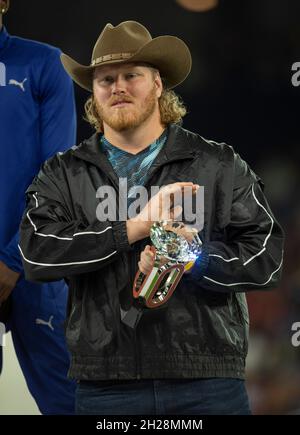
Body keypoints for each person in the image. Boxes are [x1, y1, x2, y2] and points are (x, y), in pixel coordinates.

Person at [19, 20, 284, 415]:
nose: (118, 87)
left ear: (158, 83)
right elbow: (36, 254)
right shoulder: (62, 173)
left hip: (207, 382)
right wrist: (133, 229)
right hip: (106, 385)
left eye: (131, 75)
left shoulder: (219, 164)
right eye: (105, 78)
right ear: (93, 92)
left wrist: (190, 258)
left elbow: (267, 258)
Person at [0, 0, 76, 414]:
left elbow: (59, 173)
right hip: (28, 261)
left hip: (33, 265)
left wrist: (13, 259)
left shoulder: (44, 64)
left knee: (71, 406)